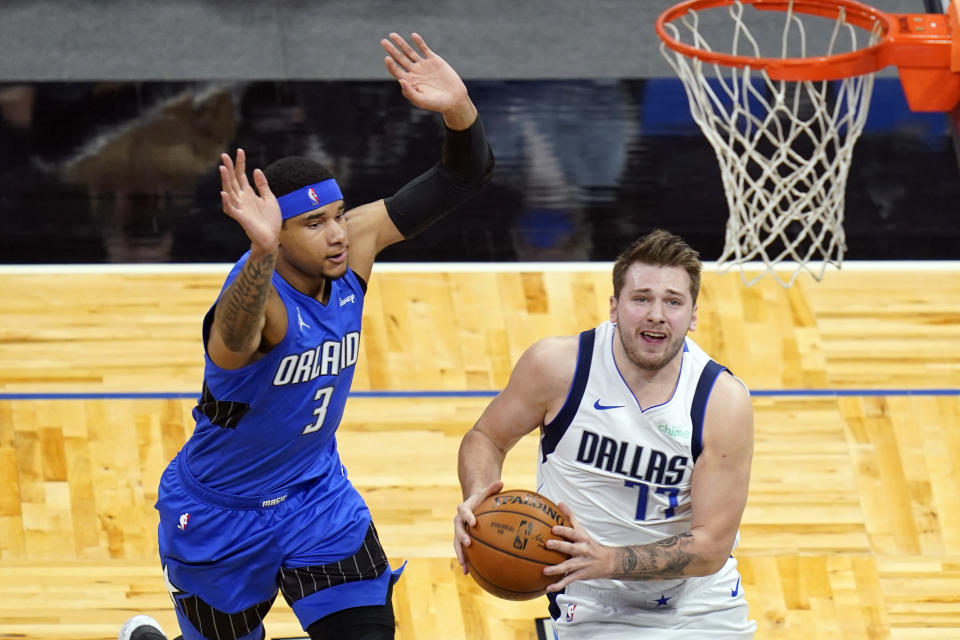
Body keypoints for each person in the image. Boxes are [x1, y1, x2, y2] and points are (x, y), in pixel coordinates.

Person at [120, 32, 493, 640]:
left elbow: (461, 178)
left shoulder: (354, 249)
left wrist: (458, 108)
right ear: (278, 237)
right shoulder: (256, 298)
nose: (337, 234)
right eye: (314, 224)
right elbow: (230, 344)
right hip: (222, 512)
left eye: (339, 214)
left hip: (317, 497)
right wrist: (260, 251)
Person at [454, 229, 756, 638]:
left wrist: (608, 559)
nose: (656, 314)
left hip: (698, 606)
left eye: (673, 301)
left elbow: (710, 547)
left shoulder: (722, 401)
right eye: (641, 298)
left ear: (693, 315)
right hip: (591, 606)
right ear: (614, 307)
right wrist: (480, 496)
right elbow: (486, 438)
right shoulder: (558, 367)